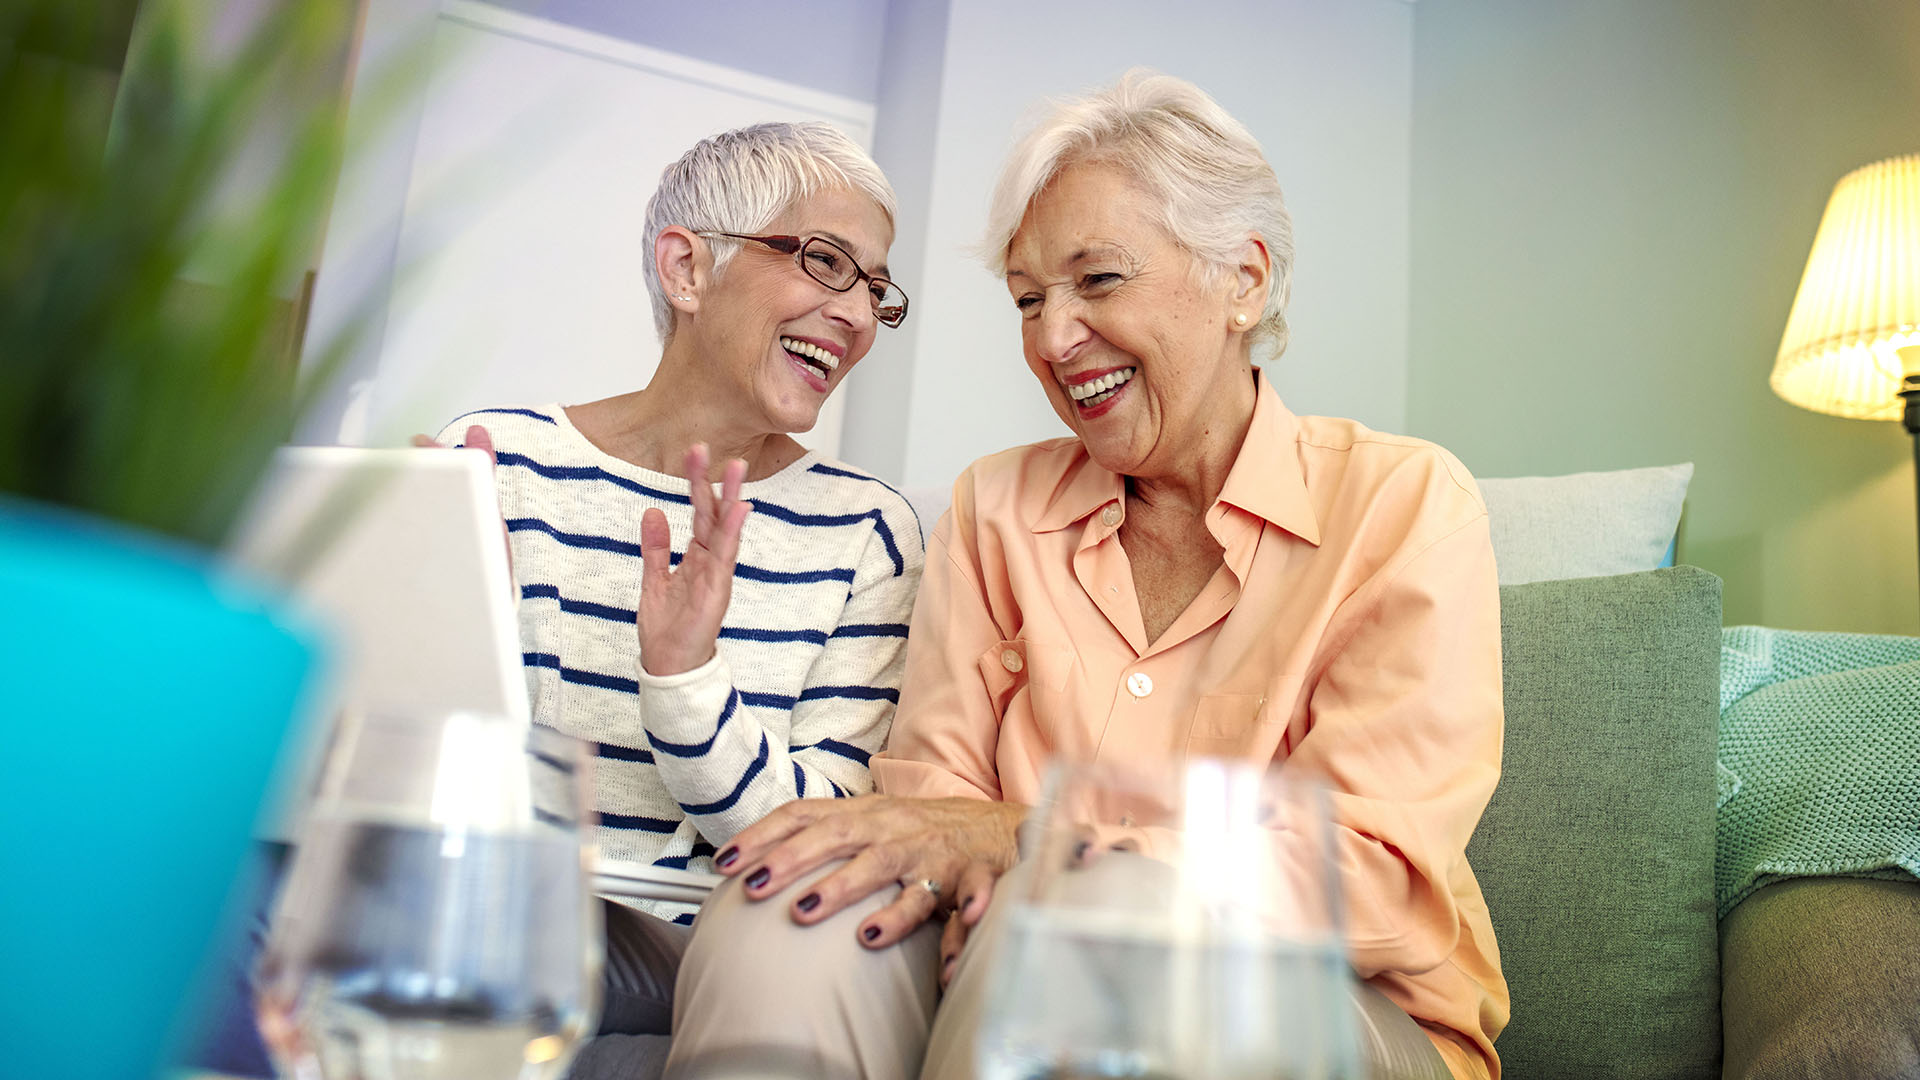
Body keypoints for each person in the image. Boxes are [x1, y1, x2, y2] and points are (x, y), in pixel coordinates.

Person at [677, 72, 1510, 1080]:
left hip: (1342, 1015)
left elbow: (1368, 880)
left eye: (1098, 281)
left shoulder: (1404, 505)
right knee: (795, 910)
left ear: (1241, 279)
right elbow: (928, 809)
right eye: (1029, 300)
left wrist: (1035, 838)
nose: (1053, 339)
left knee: (1099, 930)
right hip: (994, 967)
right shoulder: (994, 509)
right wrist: (970, 853)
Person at [427, 121, 924, 1075]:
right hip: (479, 902)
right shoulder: (498, 461)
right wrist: (406, 599)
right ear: (687, 269)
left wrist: (686, 678)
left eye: (874, 287)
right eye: (826, 262)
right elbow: (411, 761)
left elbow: (819, 841)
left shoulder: (868, 533)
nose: (858, 315)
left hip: (679, 946)